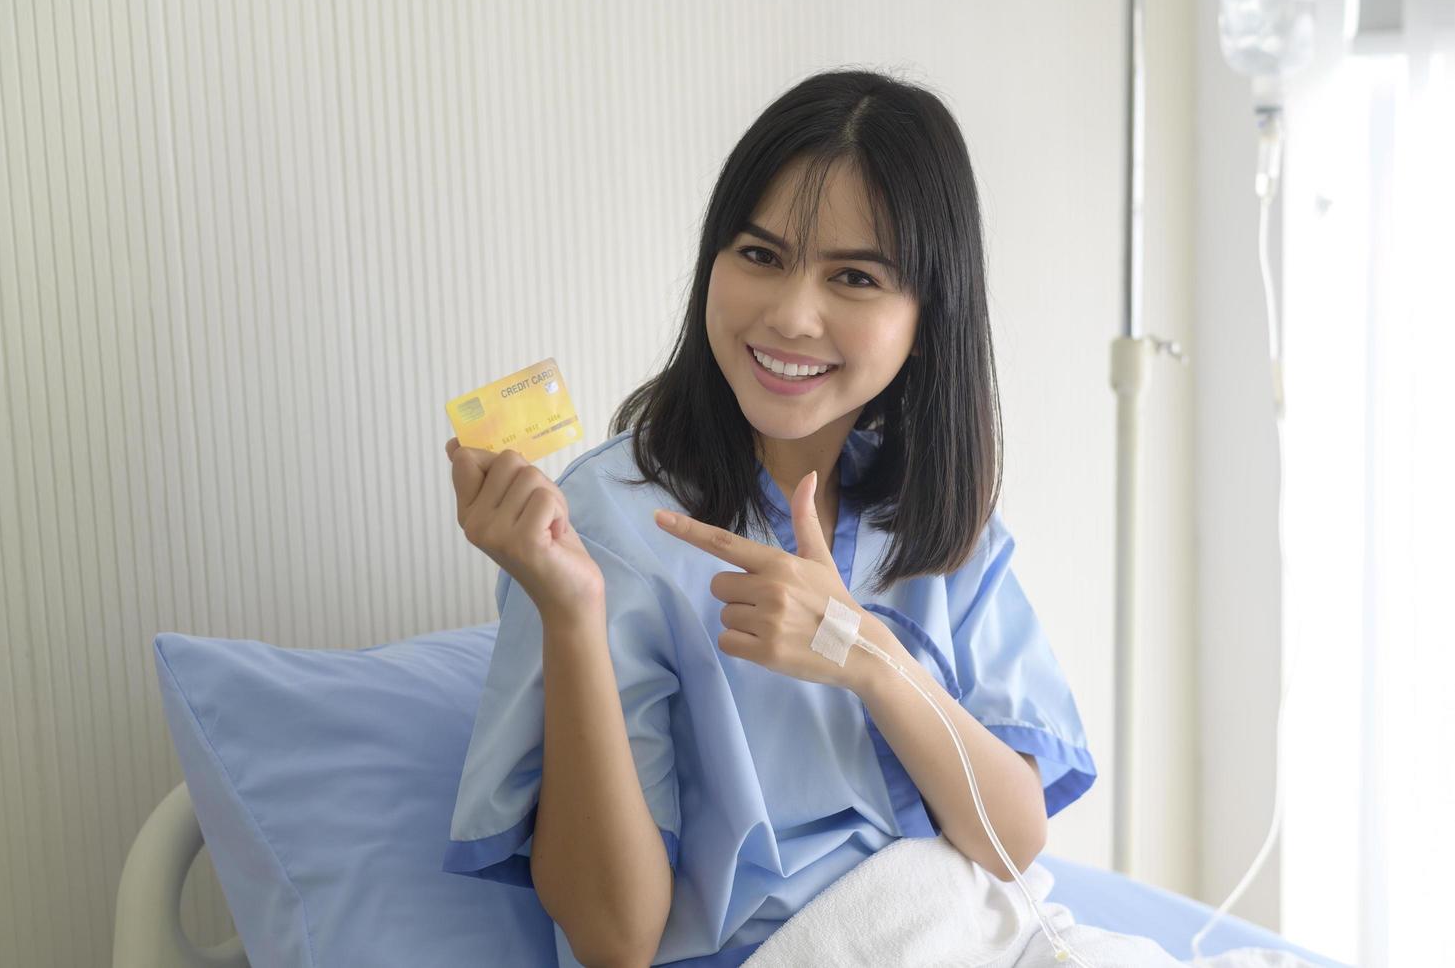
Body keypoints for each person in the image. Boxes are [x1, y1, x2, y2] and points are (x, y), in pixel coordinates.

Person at [441, 68, 1097, 968]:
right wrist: (568, 613)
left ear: (925, 318)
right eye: (759, 256)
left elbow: (1010, 841)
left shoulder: (934, 514)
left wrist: (860, 653)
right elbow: (614, 938)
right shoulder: (606, 524)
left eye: (855, 277)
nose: (790, 315)